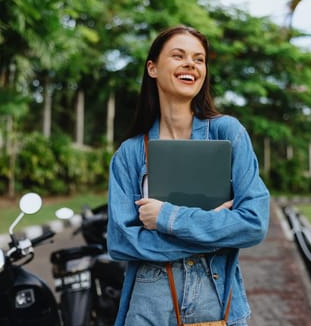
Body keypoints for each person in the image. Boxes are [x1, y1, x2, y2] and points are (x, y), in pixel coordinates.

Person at [107, 25, 270, 326]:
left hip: (216, 303)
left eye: (199, 59)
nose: (191, 65)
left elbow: (254, 223)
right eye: (178, 56)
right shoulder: (129, 153)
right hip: (148, 306)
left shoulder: (228, 133)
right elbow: (120, 242)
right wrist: (215, 233)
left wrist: (167, 218)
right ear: (152, 68)